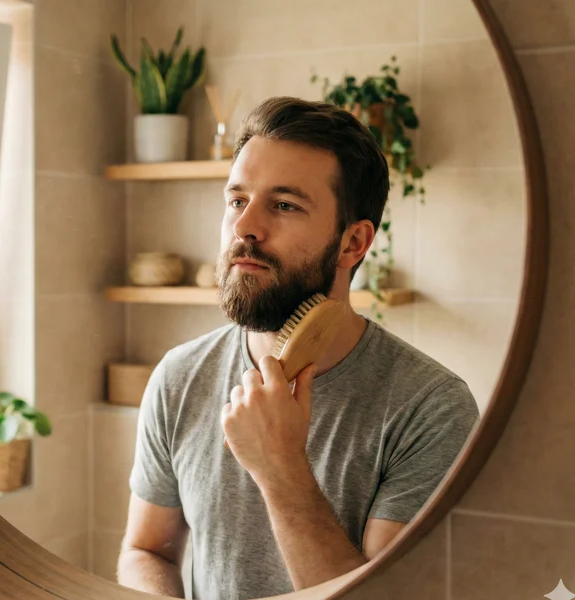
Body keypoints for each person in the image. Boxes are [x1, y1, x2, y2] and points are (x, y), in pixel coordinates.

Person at [117, 97, 480, 600]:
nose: (245, 227)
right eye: (237, 200)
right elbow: (147, 551)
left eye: (284, 205)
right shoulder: (180, 376)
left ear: (353, 243)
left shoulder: (430, 407)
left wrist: (279, 467)